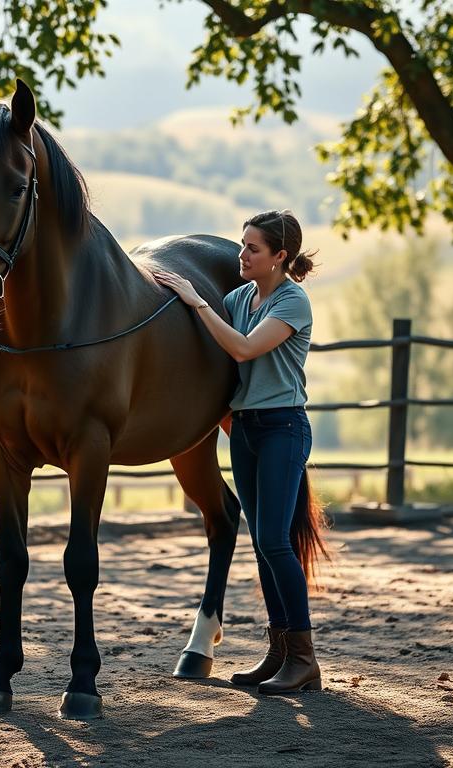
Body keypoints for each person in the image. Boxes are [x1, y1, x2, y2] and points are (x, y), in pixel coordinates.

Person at [152, 208, 326, 695]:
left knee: (274, 541)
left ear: (280, 257)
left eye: (252, 248)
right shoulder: (238, 296)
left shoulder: (293, 303)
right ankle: (279, 650)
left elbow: (244, 350)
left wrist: (196, 301)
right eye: (241, 244)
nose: (241, 255)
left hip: (282, 429)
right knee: (263, 544)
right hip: (246, 430)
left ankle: (304, 658)